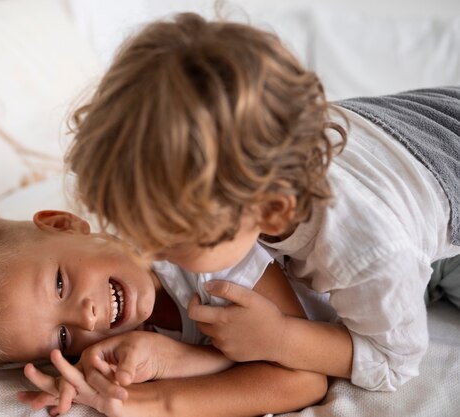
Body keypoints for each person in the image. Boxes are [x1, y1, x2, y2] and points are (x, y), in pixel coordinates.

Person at [64, 12, 460, 393]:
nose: (147, 253)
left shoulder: (366, 250)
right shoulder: (265, 138)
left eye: (169, 240)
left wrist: (281, 339)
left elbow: (396, 363)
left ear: (271, 211)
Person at [0, 210, 326, 417]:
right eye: (63, 338)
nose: (87, 317)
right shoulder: (133, 352)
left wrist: (153, 402)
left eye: (60, 284)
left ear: (65, 224)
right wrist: (179, 362)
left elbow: (305, 380)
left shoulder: (194, 244)